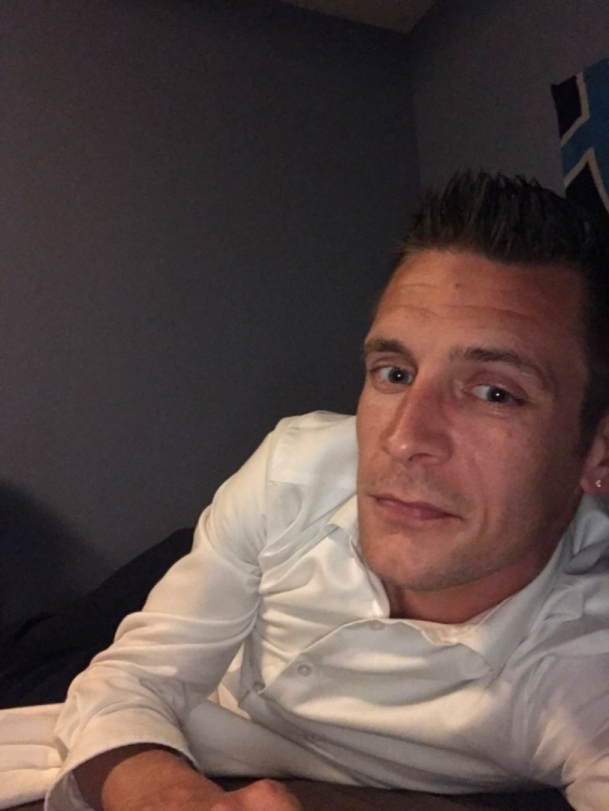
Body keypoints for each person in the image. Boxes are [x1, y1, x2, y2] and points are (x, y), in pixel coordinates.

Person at [44, 171, 609, 811]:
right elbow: (132, 677)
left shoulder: (585, 655)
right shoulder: (297, 469)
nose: (403, 438)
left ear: (599, 450)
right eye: (395, 373)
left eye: (494, 392)